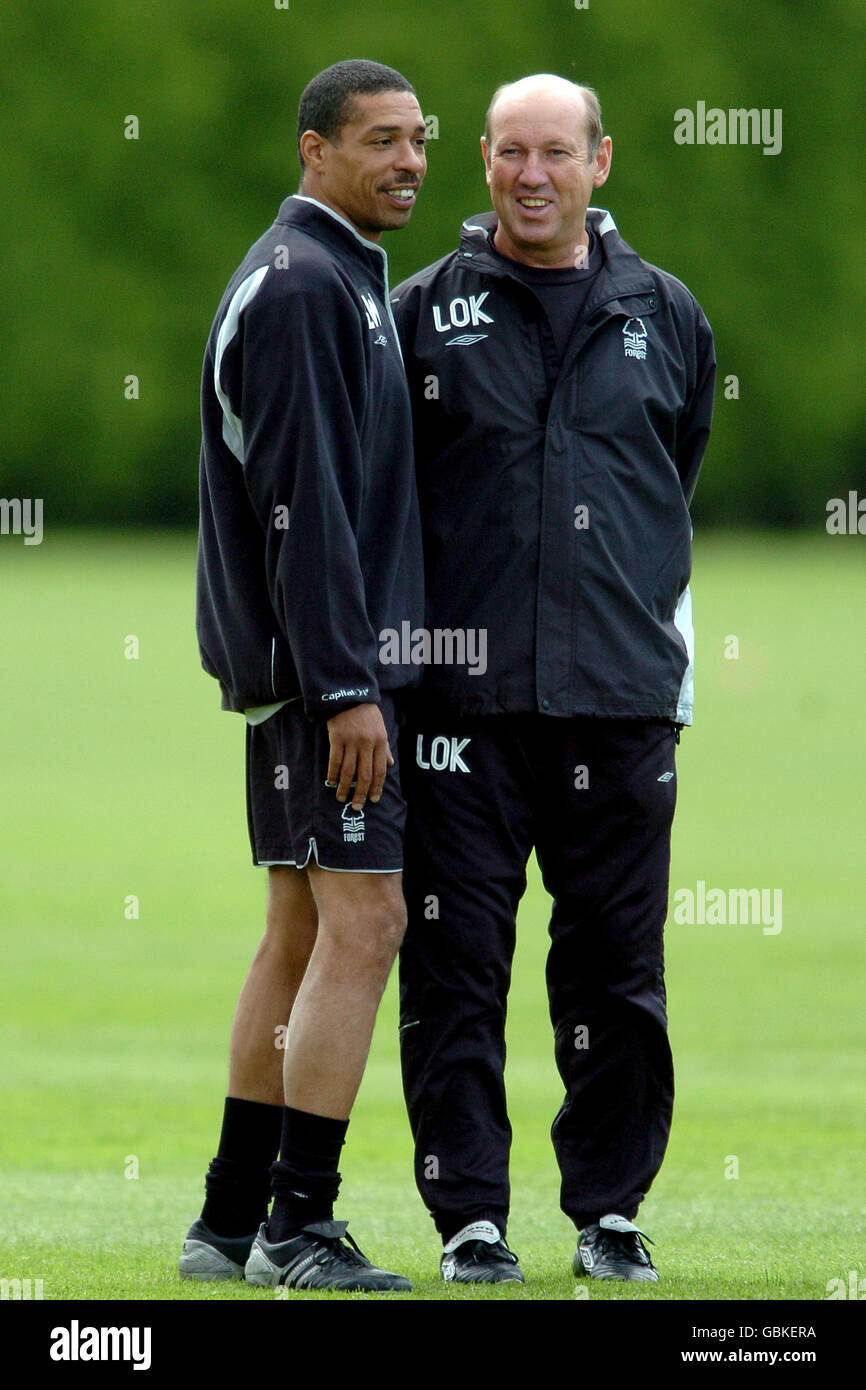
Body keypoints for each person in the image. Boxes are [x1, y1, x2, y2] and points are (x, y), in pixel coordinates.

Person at [391, 74, 715, 1284]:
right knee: (453, 968)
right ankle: (470, 1219)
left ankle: (608, 1212)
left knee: (615, 972)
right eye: (510, 154)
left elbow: (667, 477)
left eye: (556, 154)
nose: (533, 176)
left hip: (620, 700)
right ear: (481, 162)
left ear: (601, 161)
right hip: (458, 709)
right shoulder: (422, 312)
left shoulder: (666, 313)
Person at [179, 59, 427, 1293]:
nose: (409, 162)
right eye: (379, 139)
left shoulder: (330, 276)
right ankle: (300, 1226)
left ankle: (227, 1222)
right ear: (311, 151)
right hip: (325, 680)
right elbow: (302, 508)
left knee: (295, 930)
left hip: (304, 675)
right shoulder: (303, 288)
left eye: (418, 140)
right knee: (364, 921)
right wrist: (348, 686)